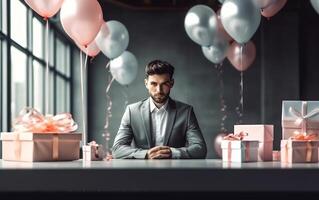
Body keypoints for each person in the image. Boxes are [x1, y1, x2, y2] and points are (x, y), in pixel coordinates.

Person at [111, 60, 207, 159]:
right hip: (142, 173)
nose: (159, 90)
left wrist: (173, 153)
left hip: (175, 172)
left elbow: (200, 149)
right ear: (146, 83)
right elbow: (117, 149)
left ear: (171, 83)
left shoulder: (186, 112)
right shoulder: (132, 111)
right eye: (153, 84)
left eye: (164, 84)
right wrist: (146, 154)